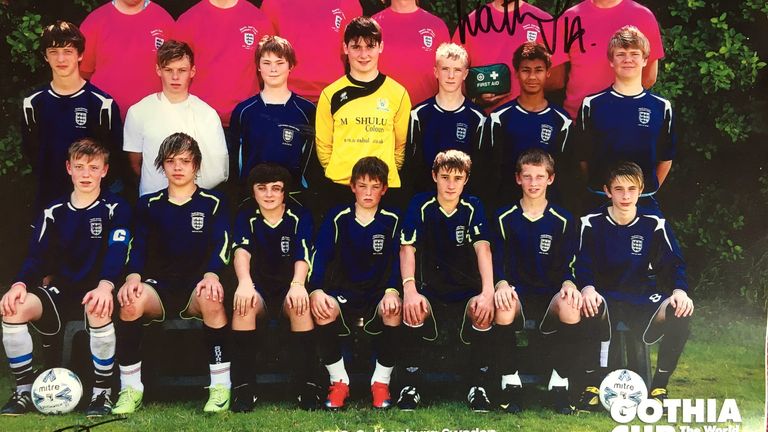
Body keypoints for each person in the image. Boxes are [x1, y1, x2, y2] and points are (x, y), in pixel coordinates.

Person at [0, 139, 131, 416]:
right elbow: (35, 257)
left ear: (105, 171)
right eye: (80, 167)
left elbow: (117, 252)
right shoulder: (53, 211)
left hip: (99, 289)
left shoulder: (116, 208)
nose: (86, 174)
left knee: (98, 306)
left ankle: (102, 394)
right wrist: (19, 285)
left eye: (93, 167)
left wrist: (106, 286)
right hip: (60, 290)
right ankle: (23, 391)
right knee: (13, 309)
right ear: (68, 168)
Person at [112, 133, 232, 414]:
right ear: (161, 166)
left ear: (196, 166)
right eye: (170, 161)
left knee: (213, 298)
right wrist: (133, 277)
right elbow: (137, 245)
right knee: (130, 301)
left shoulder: (214, 202)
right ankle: (130, 389)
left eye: (185, 161)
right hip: (160, 286)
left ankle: (220, 387)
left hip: (198, 284)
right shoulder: (148, 204)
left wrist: (212, 274)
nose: (178, 167)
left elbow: (223, 242)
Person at [573, 161, 693, 411]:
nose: (625, 195)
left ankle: (659, 387)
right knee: (587, 304)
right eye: (618, 189)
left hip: (642, 300)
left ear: (641, 191)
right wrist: (587, 287)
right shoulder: (591, 222)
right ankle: (592, 386)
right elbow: (581, 263)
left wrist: (680, 291)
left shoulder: (654, 223)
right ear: (607, 191)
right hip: (605, 297)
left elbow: (675, 263)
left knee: (680, 311)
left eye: (631, 189)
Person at [398, 150, 497, 412]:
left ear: (466, 180)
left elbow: (483, 249)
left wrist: (487, 292)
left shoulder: (473, 206)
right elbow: (407, 248)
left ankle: (479, 386)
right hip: (429, 291)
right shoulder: (420, 204)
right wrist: (409, 289)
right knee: (413, 306)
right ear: (434, 177)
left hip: (465, 292)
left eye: (457, 177)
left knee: (483, 310)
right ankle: (411, 385)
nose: (451, 184)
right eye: (444, 177)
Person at [309, 157, 402, 410]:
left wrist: (393, 290)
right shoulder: (338, 217)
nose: (368, 193)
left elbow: (398, 260)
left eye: (375, 186)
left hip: (378, 293)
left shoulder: (392, 219)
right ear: (352, 186)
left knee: (394, 311)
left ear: (384, 188)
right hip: (343, 292)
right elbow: (321, 255)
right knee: (322, 308)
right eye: (362, 186)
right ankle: (338, 381)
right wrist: (316, 289)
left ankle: (380, 383)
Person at [491, 149, 579, 414]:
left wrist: (569, 284)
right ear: (518, 179)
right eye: (527, 176)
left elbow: (570, 263)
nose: (533, 183)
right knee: (503, 304)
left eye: (540, 176)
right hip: (517, 295)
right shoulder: (503, 217)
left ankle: (559, 384)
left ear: (550, 179)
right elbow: (497, 261)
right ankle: (511, 382)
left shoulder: (563, 220)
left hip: (549, 296)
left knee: (572, 305)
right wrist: (502, 283)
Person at [229, 163, 318, 412]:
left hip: (290, 287)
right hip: (259, 289)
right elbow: (241, 252)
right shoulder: (246, 216)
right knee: (243, 306)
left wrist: (298, 284)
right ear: (253, 191)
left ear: (284, 192)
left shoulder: (299, 216)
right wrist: (245, 283)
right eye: (262, 188)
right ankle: (245, 389)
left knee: (300, 305)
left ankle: (307, 387)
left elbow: (303, 254)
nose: (269, 194)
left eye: (276, 189)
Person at [22, 21, 121, 213]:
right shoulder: (33, 103)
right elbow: (32, 152)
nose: (61, 59)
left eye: (68, 51)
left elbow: (113, 157)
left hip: (92, 204)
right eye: (53, 51)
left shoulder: (102, 103)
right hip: (48, 200)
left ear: (80, 55)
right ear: (45, 56)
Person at [575, 26, 676, 211]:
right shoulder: (592, 104)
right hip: (599, 200)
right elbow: (583, 158)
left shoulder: (661, 107)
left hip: (644, 202)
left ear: (645, 60)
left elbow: (666, 157)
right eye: (621, 54)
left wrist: (645, 191)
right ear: (611, 61)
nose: (628, 59)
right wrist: (599, 185)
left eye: (635, 54)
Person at [315, 16, 411, 207]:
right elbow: (323, 145)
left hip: (383, 188)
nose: (363, 54)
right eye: (356, 47)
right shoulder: (330, 94)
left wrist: (382, 178)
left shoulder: (398, 93)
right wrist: (342, 173)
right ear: (345, 48)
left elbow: (401, 147)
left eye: (370, 46)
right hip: (340, 188)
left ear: (380, 47)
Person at [123, 40, 228, 197]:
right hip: (152, 201)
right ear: (158, 70)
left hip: (195, 203)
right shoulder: (139, 111)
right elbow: (135, 163)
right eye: (168, 70)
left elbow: (218, 168)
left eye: (182, 70)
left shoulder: (207, 114)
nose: (175, 77)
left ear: (192, 71)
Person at [230, 36, 317, 205]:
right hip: (252, 199)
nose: (273, 69)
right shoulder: (244, 111)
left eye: (280, 62)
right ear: (258, 66)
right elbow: (235, 163)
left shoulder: (306, 110)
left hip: (294, 198)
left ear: (290, 66)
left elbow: (311, 161)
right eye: (267, 63)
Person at [488, 42, 571, 207]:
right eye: (526, 70)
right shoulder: (499, 118)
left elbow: (566, 171)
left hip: (547, 209)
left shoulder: (561, 120)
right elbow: (490, 170)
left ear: (548, 73)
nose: (532, 77)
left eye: (538, 70)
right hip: (507, 206)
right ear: (516, 73)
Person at [550, 0, 665, 118]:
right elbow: (556, 78)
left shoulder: (643, 16)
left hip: (626, 118)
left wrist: (623, 103)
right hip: (577, 120)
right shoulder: (569, 18)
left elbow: (649, 77)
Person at [175, 0, 275, 128]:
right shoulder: (188, 20)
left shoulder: (259, 19)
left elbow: (271, 73)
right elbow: (175, 75)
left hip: (247, 122)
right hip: (199, 122)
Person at [407, 43, 486, 194]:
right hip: (425, 198)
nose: (451, 76)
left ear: (465, 74)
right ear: (436, 72)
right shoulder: (419, 114)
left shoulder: (478, 117)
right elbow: (412, 165)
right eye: (445, 69)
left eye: (457, 70)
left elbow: (480, 169)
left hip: (463, 202)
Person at [79, 0, 174, 121]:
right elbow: (82, 72)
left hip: (152, 120)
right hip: (103, 119)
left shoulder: (164, 20)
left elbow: (175, 73)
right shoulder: (95, 21)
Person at [453, 0, 552, 113]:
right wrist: (477, 99)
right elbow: (452, 76)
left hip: (532, 120)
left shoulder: (544, 21)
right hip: (483, 120)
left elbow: (557, 80)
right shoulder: (471, 22)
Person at [260, 0, 362, 103]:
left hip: (333, 97)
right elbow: (264, 54)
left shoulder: (349, 3)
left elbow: (351, 54)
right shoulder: (273, 3)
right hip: (284, 97)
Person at [373, 0, 451, 106]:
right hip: (382, 114)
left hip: (426, 114)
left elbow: (449, 77)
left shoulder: (437, 26)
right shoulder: (372, 26)